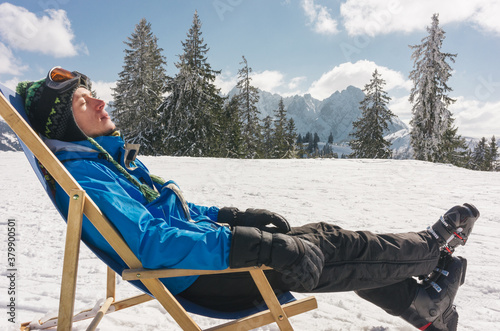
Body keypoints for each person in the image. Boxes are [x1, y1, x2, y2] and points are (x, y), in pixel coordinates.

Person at [16, 67, 480, 331]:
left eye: (92, 94)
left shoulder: (109, 163)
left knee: (321, 241)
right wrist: (250, 245)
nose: (100, 103)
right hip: (201, 278)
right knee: (329, 246)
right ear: (63, 126)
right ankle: (430, 251)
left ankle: (419, 307)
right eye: (83, 102)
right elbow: (151, 243)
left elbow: (173, 213)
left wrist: (230, 217)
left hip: (208, 259)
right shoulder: (89, 176)